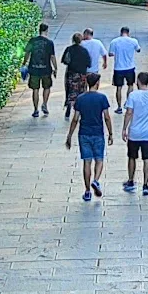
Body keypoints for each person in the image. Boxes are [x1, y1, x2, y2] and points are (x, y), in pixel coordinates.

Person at [65, 71, 113, 201]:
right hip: (98, 133)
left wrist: (69, 135)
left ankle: (87, 191)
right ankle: (96, 180)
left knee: (87, 161)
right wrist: (110, 133)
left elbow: (75, 119)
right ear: (97, 83)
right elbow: (107, 117)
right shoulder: (102, 98)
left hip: (84, 133)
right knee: (99, 159)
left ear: (87, 82)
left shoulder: (80, 98)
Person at [122, 69, 148, 196]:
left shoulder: (133, 95)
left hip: (135, 132)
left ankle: (131, 181)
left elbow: (129, 112)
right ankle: (145, 185)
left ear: (138, 81)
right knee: (147, 158)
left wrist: (124, 128)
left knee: (132, 157)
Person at [22, 22, 57, 118]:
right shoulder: (49, 42)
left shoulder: (32, 41)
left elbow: (27, 53)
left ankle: (36, 110)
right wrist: (55, 68)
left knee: (35, 89)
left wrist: (24, 63)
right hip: (46, 69)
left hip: (34, 68)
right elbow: (52, 57)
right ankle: (44, 104)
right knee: (47, 87)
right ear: (47, 31)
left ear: (39, 30)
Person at [59, 31, 91, 119]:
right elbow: (89, 63)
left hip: (71, 74)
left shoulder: (69, 49)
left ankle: (68, 108)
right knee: (81, 92)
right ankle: (81, 110)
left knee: (71, 91)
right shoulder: (84, 51)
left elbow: (64, 61)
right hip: (82, 75)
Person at [107, 26, 142, 105]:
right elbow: (138, 49)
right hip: (130, 67)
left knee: (119, 87)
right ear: (128, 33)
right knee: (130, 85)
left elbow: (110, 54)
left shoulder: (114, 41)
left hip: (118, 68)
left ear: (121, 32)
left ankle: (119, 106)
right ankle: (128, 103)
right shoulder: (133, 41)